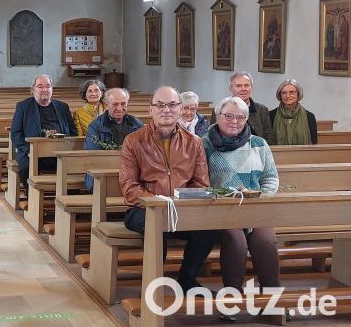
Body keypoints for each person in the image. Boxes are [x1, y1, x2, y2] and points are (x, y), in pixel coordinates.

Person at [119, 86, 217, 293]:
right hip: (142, 209)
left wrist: (179, 204)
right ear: (150, 110)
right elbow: (129, 187)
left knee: (209, 229)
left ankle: (187, 280)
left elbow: (201, 183)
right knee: (156, 225)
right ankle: (153, 284)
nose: (166, 110)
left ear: (180, 109)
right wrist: (159, 203)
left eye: (172, 105)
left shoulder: (194, 142)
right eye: (160, 105)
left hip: (181, 209)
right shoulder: (133, 141)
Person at [202, 96, 282, 321]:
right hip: (220, 209)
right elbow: (199, 181)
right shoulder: (203, 143)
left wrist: (260, 198)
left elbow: (271, 178)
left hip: (255, 208)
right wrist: (220, 197)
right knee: (236, 242)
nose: (234, 121)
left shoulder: (259, 143)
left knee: (265, 242)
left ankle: (272, 304)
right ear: (218, 117)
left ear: (247, 119)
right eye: (228, 116)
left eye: (240, 117)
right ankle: (231, 303)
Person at [10, 75, 77, 191]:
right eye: (40, 86)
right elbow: (15, 133)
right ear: (33, 90)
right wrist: (29, 150)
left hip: (59, 152)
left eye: (48, 86)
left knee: (75, 166)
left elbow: (73, 131)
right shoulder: (23, 106)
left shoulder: (63, 107)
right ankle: (32, 197)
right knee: (26, 166)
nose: (45, 90)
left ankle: (69, 199)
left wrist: (67, 147)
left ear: (52, 89)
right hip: (32, 152)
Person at [210, 72, 275, 144]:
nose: (243, 89)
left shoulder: (262, 110)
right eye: (238, 86)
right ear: (231, 89)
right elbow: (214, 135)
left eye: (246, 85)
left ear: (251, 88)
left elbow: (269, 137)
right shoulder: (220, 109)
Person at [269, 79, 317, 145]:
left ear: (298, 94)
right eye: (284, 93)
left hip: (303, 155)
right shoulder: (270, 115)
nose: (287, 96)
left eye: (292, 92)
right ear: (280, 95)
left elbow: (314, 144)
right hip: (277, 154)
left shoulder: (309, 116)